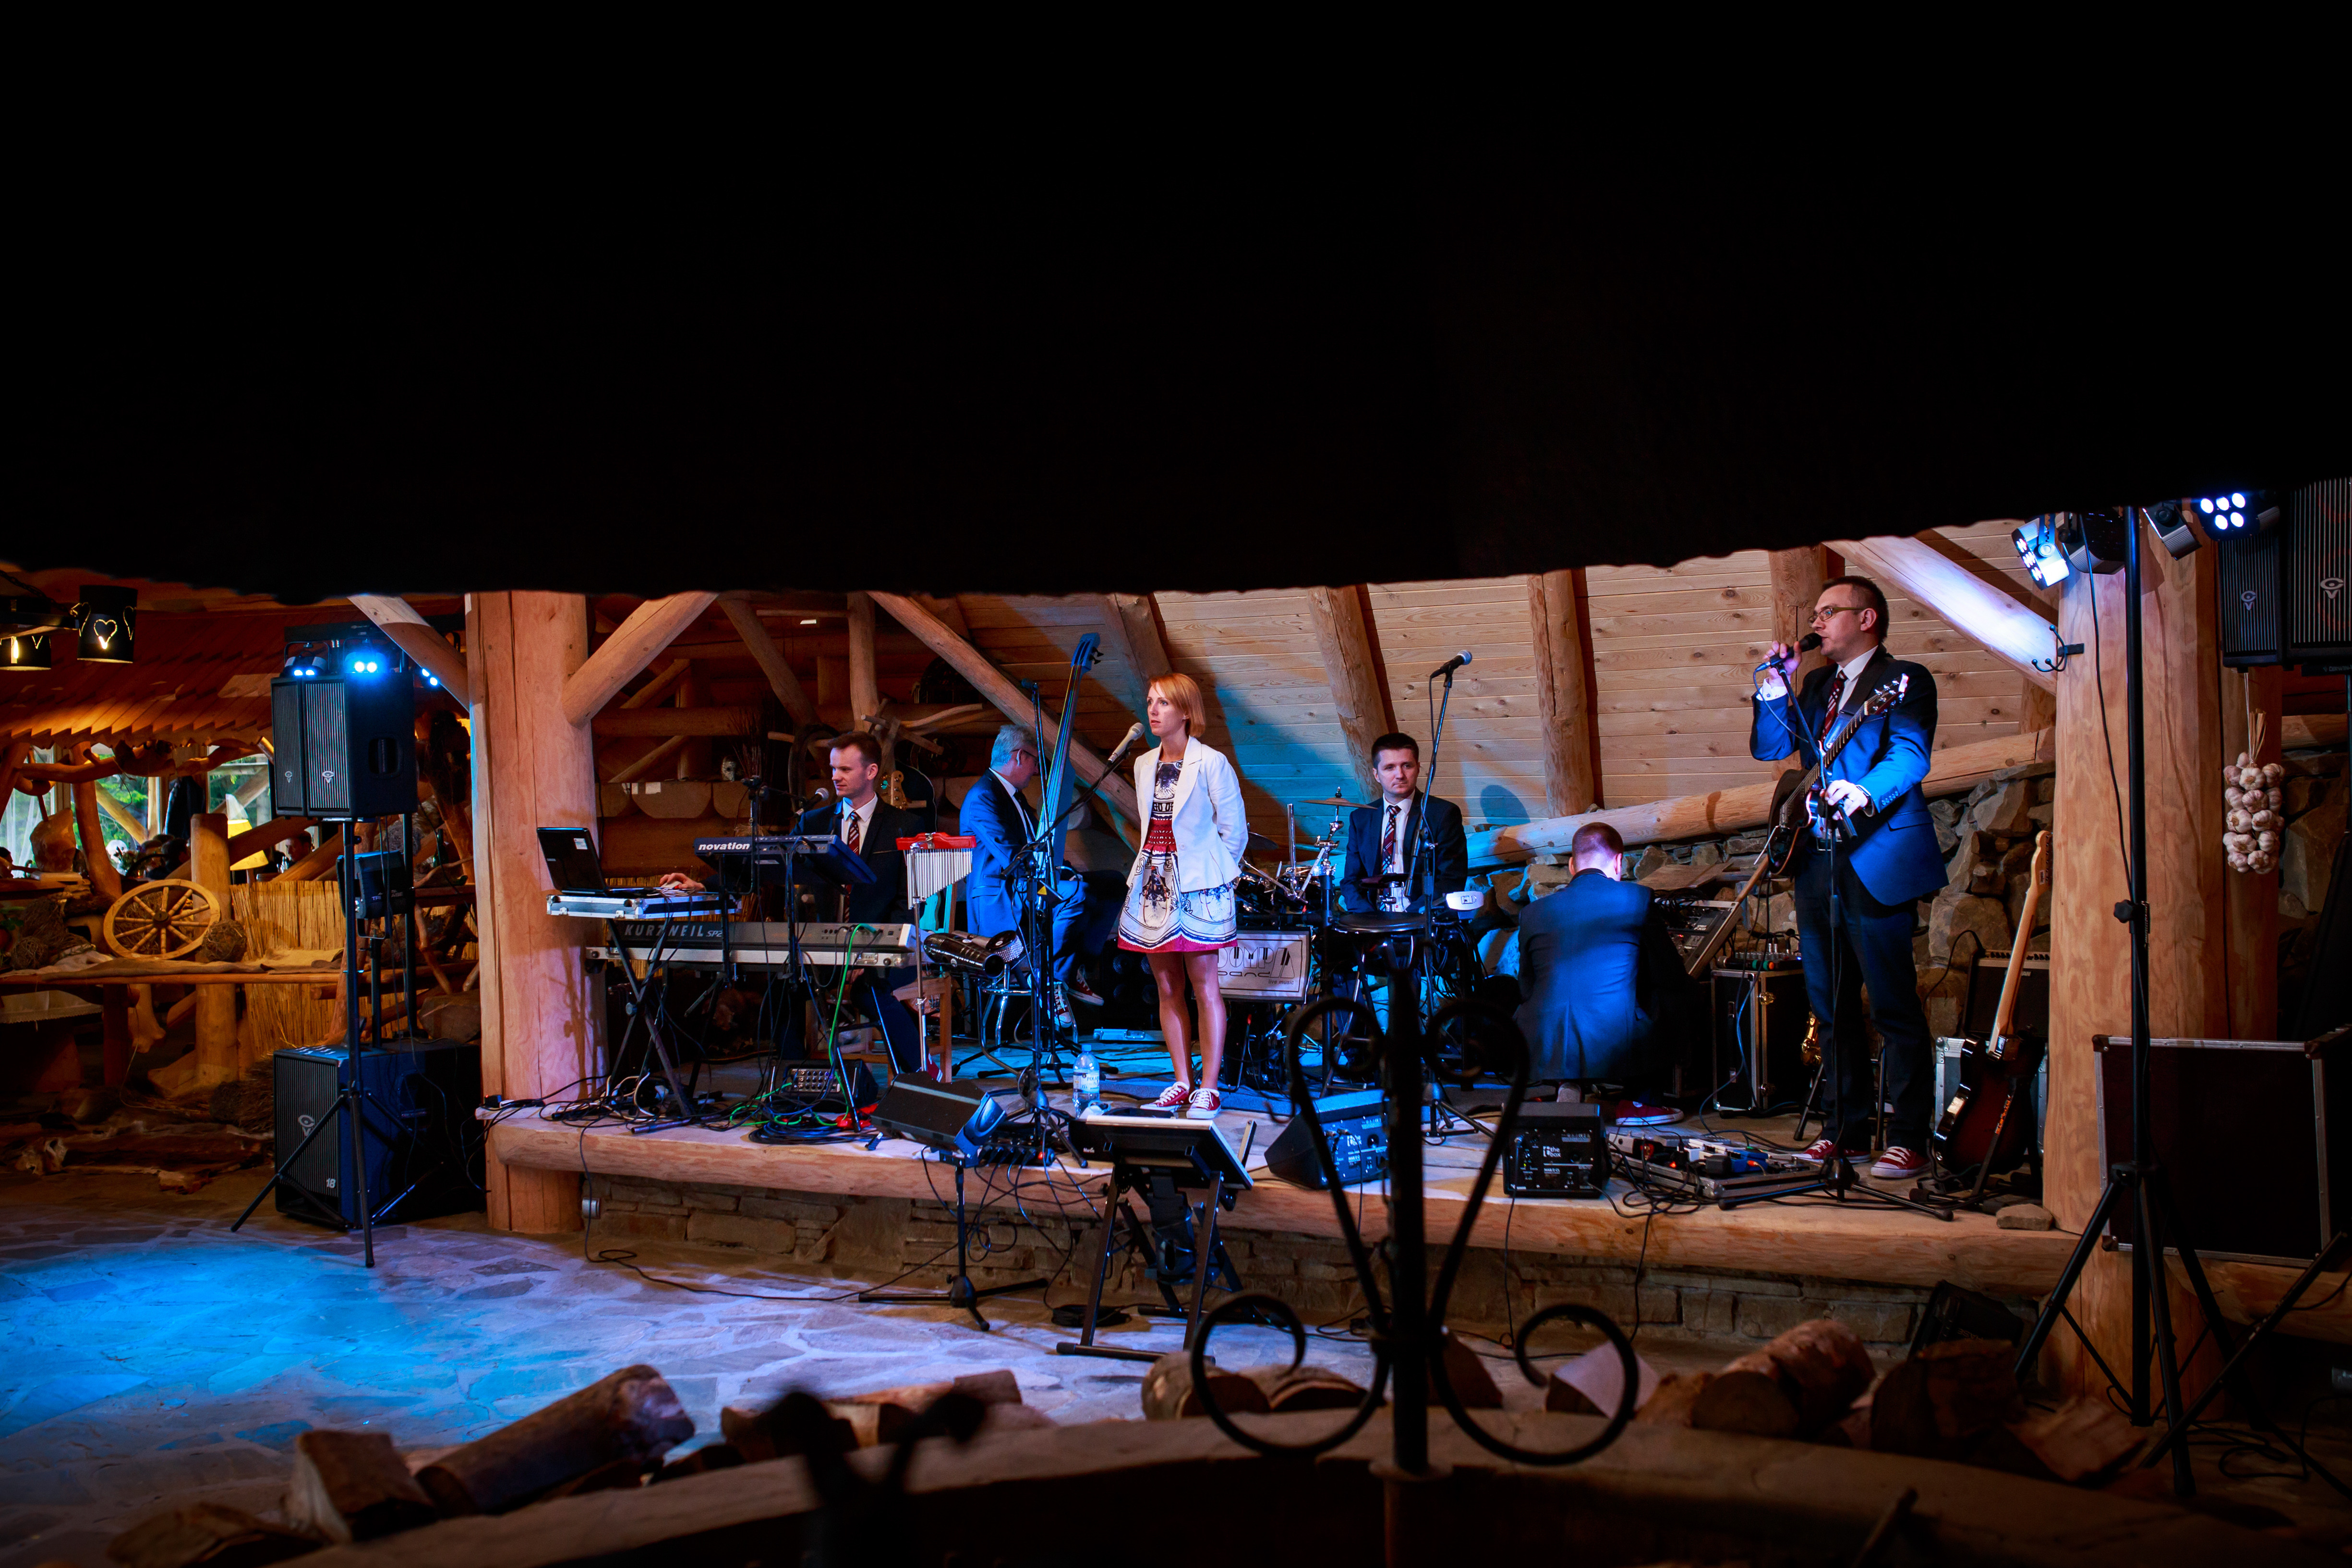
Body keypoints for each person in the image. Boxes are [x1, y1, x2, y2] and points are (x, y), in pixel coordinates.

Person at [1752, 574, 1945, 1179]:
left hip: (1878, 856)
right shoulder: (1814, 685)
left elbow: (1910, 755)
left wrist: (1863, 791)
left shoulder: (1905, 678)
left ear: (1867, 619)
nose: (1816, 622)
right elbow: (1769, 747)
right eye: (1814, 613)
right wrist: (1773, 686)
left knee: (1892, 1004)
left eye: (1829, 611)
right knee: (1830, 1006)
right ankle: (1845, 1131)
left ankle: (1909, 1137)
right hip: (1817, 860)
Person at [660, 733, 929, 1073]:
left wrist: (871, 949)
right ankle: (796, 1080)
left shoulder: (905, 826)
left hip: (882, 947)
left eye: (845, 769)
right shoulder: (813, 823)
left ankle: (918, 1079)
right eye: (833, 769)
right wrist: (705, 885)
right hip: (825, 948)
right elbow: (768, 867)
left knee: (871, 993)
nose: (835, 777)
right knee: (781, 992)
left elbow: (911, 901)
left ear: (871, 771)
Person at [1118, 673, 1248, 1120]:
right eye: (1150, 701)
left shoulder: (1211, 762)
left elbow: (1234, 831)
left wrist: (1215, 877)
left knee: (1204, 986)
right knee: (1167, 986)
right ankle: (1181, 1080)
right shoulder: (1142, 763)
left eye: (1164, 703)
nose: (1153, 711)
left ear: (1187, 711)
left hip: (1199, 884)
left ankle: (1208, 1087)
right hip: (1153, 882)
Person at [1510, 821, 1690, 1099]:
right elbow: (1669, 974)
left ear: (1572, 866)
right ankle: (1642, 1099)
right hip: (1612, 1043)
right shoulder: (1637, 898)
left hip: (1541, 1043)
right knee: (1679, 993)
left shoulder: (1533, 912)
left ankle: (1568, 1082)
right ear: (1619, 862)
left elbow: (1526, 987)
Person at [959, 724, 1123, 1018]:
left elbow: (1038, 848)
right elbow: (1013, 857)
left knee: (1113, 884)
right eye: (1035, 761)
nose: (1037, 770)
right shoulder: (984, 796)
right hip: (1008, 894)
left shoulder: (1014, 796)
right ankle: (1052, 981)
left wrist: (1064, 871)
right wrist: (1057, 878)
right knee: (1076, 894)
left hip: (1030, 885)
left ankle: (1075, 967)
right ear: (1019, 756)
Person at [1339, 732, 1467, 913]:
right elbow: (1351, 880)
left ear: (1418, 768)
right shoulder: (1361, 818)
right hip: (1373, 917)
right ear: (1376, 774)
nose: (1400, 775)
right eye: (1390, 768)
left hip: (1421, 916)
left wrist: (1412, 915)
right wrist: (1368, 917)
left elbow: (1451, 878)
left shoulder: (1443, 814)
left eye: (1407, 766)